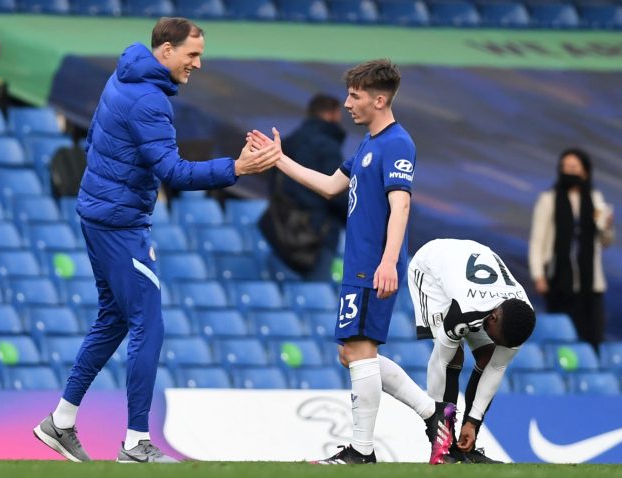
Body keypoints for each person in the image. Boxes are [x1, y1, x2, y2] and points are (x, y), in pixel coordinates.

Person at [33, 17, 281, 463]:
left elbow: (92, 139)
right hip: (120, 224)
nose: (198, 64)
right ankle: (135, 443)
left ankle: (61, 421)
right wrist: (237, 169)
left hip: (99, 211)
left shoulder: (124, 73)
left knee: (114, 319)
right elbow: (174, 172)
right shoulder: (150, 99)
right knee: (149, 324)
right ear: (165, 51)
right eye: (192, 54)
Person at [250, 59, 456, 465]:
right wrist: (279, 160)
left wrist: (387, 262)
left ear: (379, 100)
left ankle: (362, 451)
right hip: (358, 264)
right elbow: (330, 186)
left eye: (355, 96)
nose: (347, 104)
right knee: (352, 354)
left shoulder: (397, 143)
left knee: (359, 351)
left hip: (372, 266)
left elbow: (401, 206)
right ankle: (435, 415)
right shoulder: (370, 144)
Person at [408, 238, 537, 463]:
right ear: (493, 317)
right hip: (431, 269)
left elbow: (497, 366)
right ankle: (445, 445)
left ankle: (465, 447)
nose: (500, 345)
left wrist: (473, 422)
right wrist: (439, 428)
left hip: (469, 273)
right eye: (498, 339)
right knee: (453, 355)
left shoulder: (522, 317)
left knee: (488, 357)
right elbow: (438, 364)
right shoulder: (465, 313)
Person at [529, 148, 615, 351]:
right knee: (561, 336)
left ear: (584, 171)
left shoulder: (595, 199)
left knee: (592, 335)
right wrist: (538, 275)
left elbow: (605, 241)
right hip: (559, 279)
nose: (569, 171)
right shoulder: (549, 199)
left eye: (574, 167)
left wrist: (607, 227)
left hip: (590, 282)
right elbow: (537, 240)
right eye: (565, 167)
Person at [270, 93, 348, 280]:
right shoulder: (327, 146)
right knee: (316, 297)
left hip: (283, 229)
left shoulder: (289, 142)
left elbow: (274, 184)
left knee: (285, 298)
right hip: (318, 235)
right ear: (332, 115)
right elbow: (337, 191)